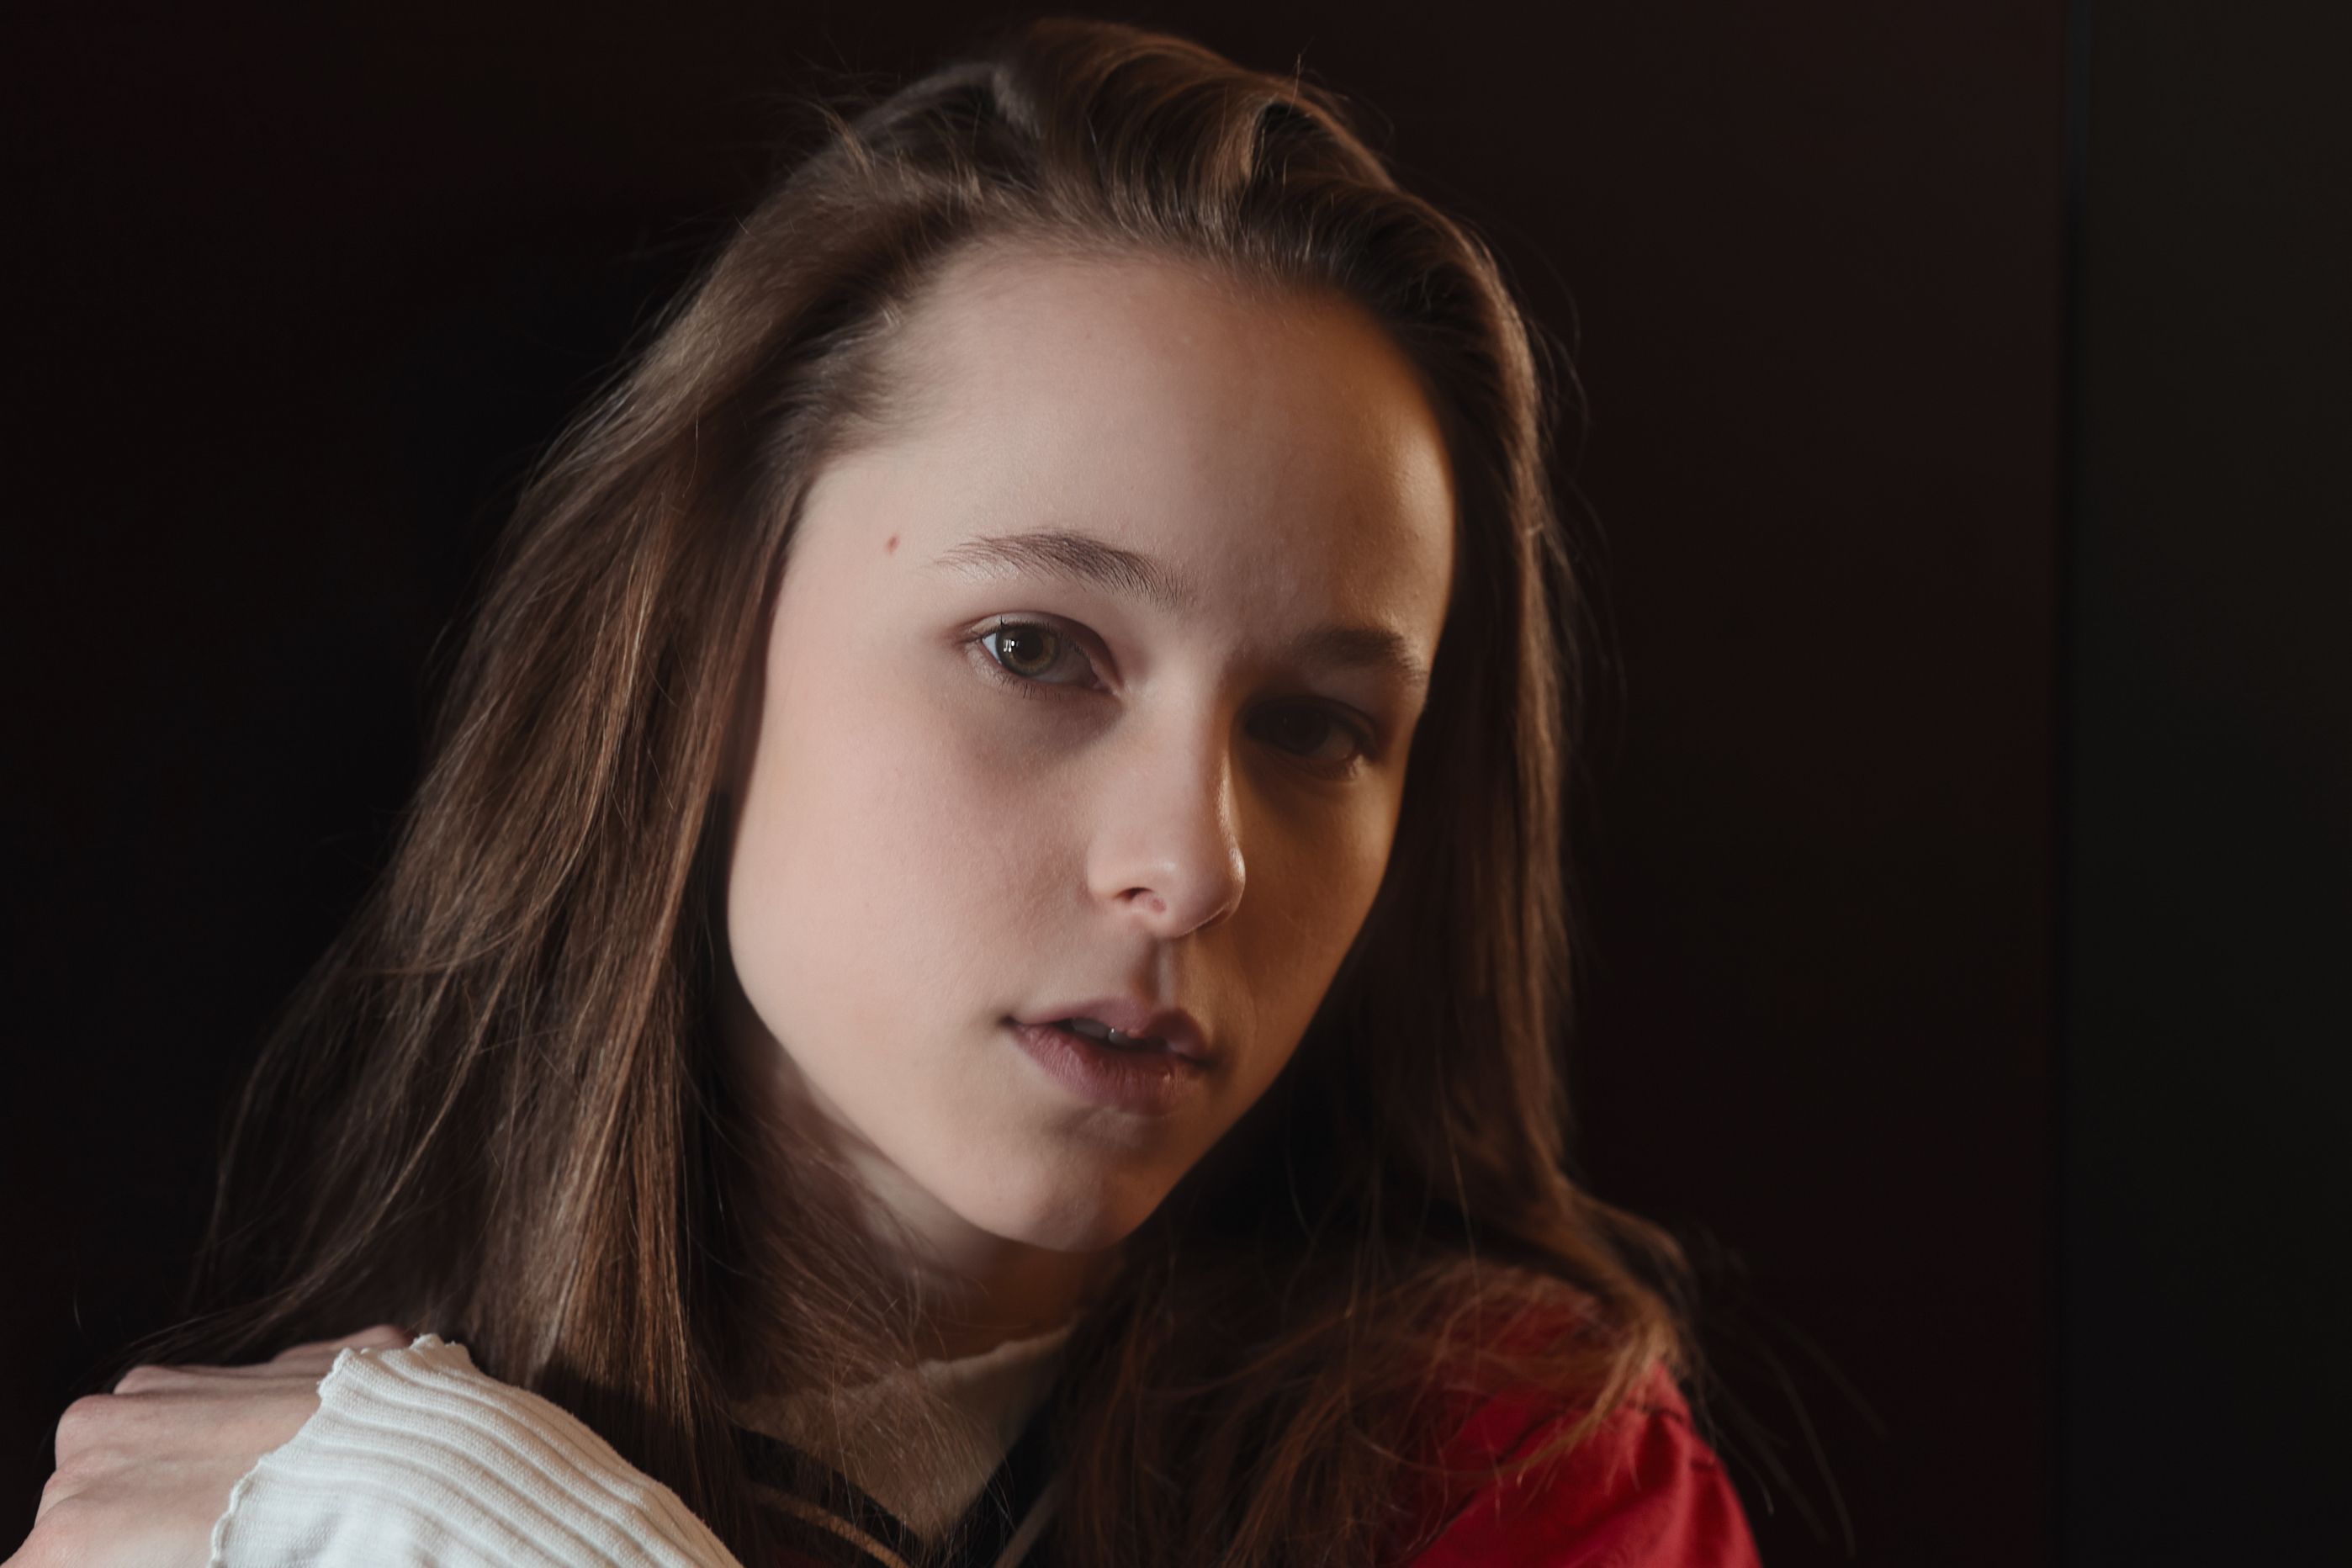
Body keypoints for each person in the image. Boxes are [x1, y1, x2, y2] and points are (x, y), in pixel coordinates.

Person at [14, 15, 1762, 1567]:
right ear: (703, 655)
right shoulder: (256, 1512)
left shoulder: (1514, 1476)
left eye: (1311, 726)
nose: (1190, 865)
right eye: (1033, 648)